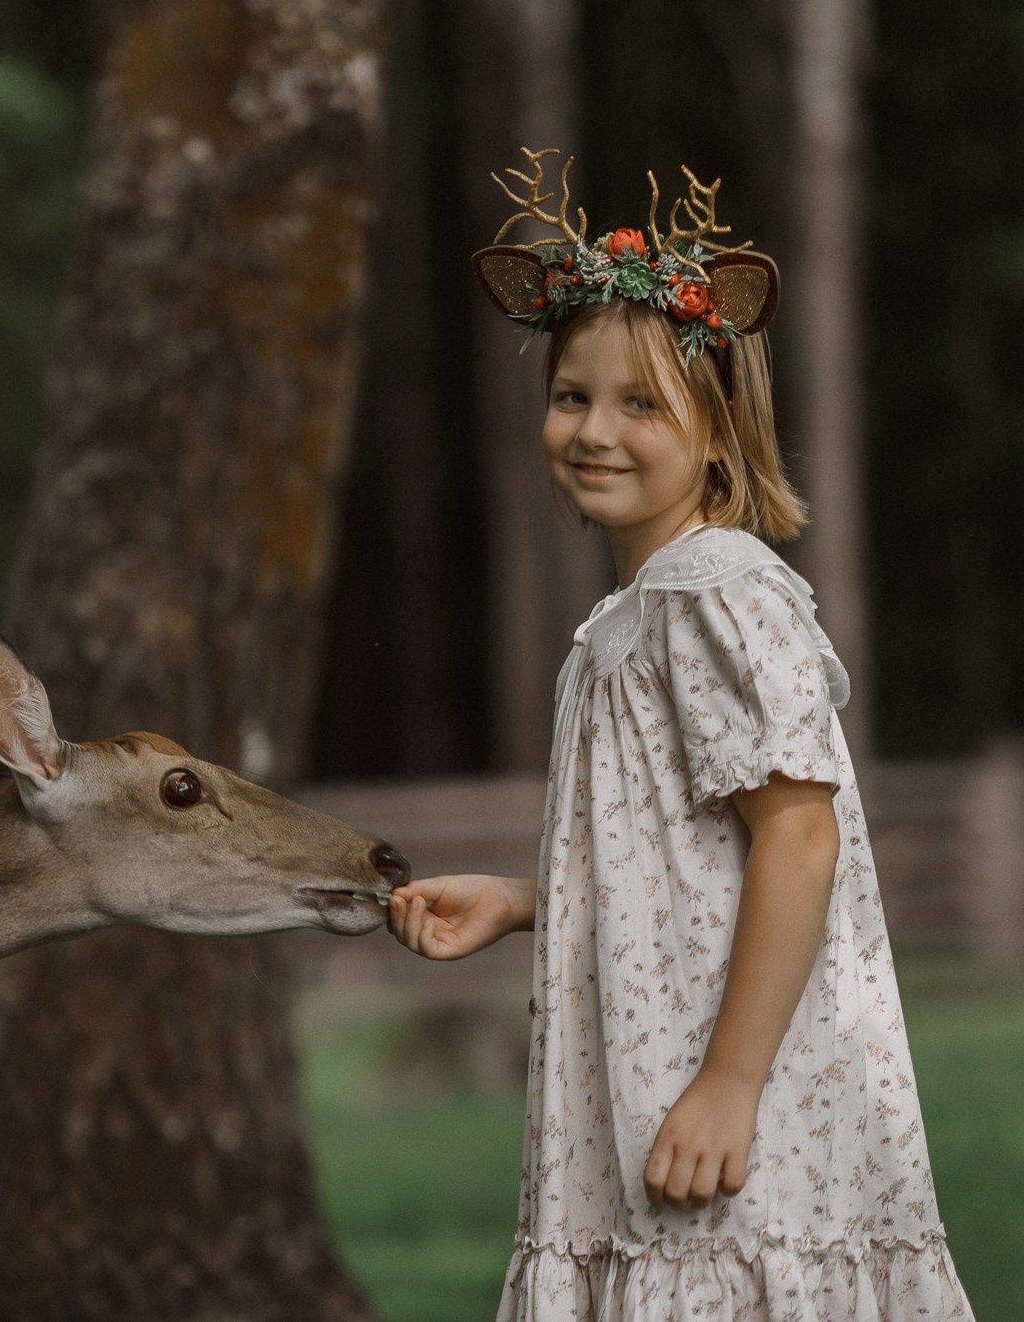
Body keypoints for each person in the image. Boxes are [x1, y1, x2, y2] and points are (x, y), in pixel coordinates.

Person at [386, 149, 975, 1318]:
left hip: (734, 1102)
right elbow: (687, 859)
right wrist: (524, 898)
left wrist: (728, 1081)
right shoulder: (639, 613)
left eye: (640, 404)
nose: (594, 429)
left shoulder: (713, 593)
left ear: (717, 433)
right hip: (663, 1083)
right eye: (572, 396)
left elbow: (798, 837)